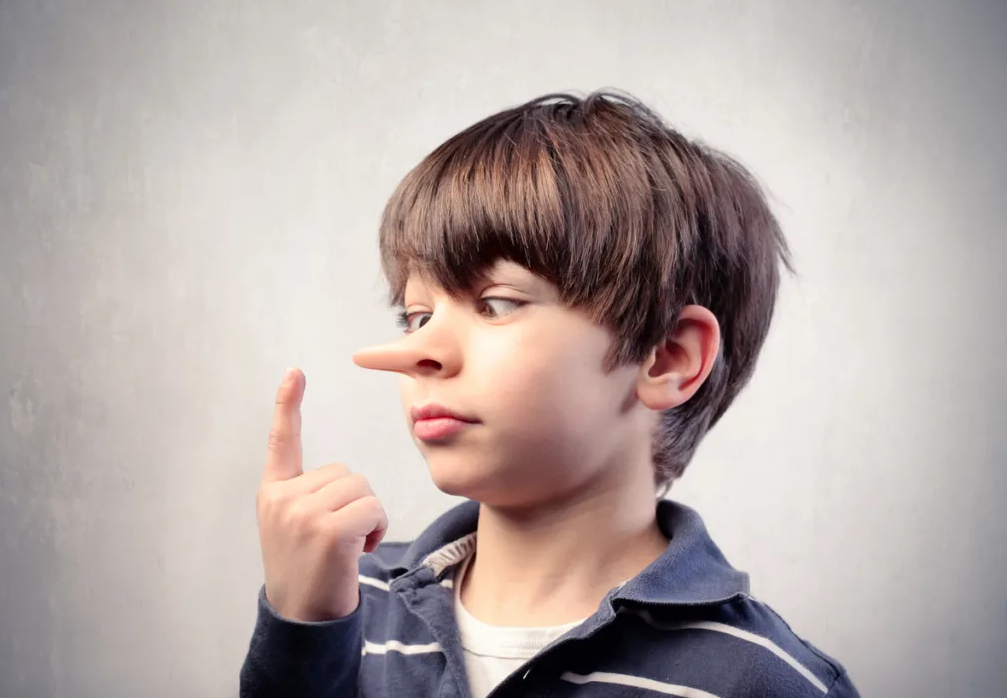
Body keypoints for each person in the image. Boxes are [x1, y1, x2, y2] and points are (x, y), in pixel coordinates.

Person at [239, 91, 861, 697]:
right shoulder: (343, 602)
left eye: (497, 304)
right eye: (416, 316)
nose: (416, 352)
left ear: (668, 356)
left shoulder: (767, 681)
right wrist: (303, 630)